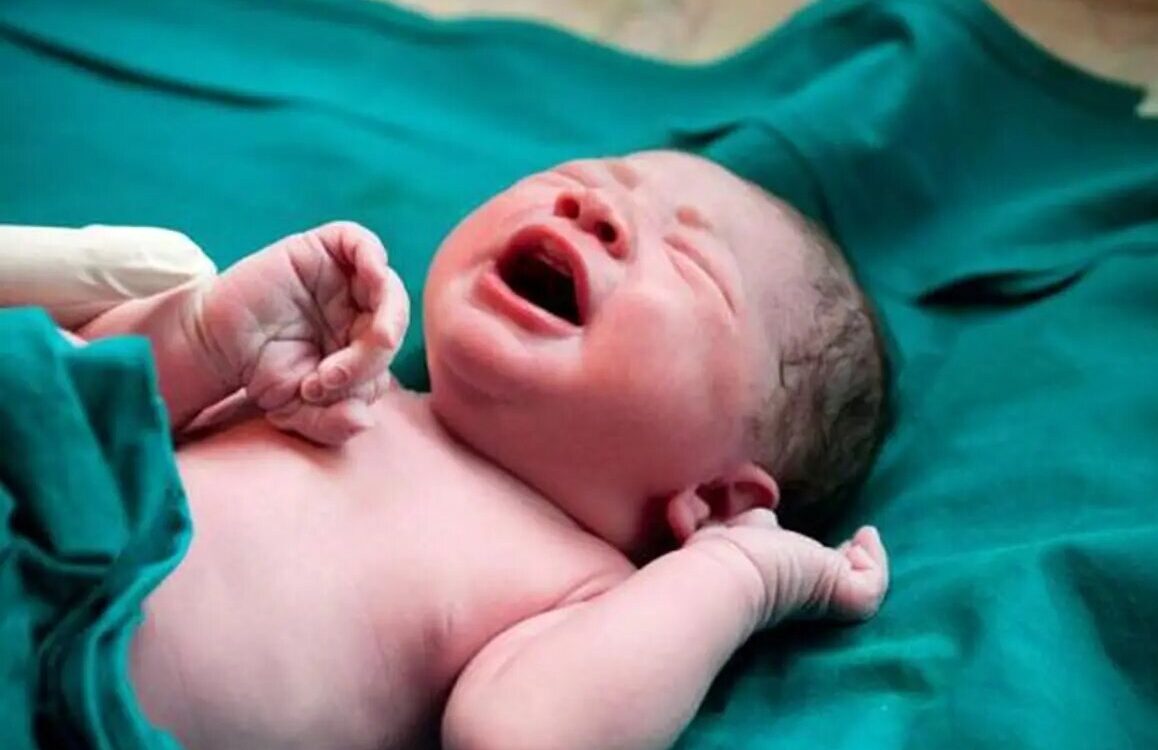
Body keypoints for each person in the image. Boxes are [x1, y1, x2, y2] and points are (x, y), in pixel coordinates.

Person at [73, 150, 889, 750]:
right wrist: (203, 341)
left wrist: (737, 575)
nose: (594, 209)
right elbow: (70, 406)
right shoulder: (329, 385)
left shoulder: (578, 588)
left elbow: (519, 735)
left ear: (712, 501)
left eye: (688, 262)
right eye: (589, 176)